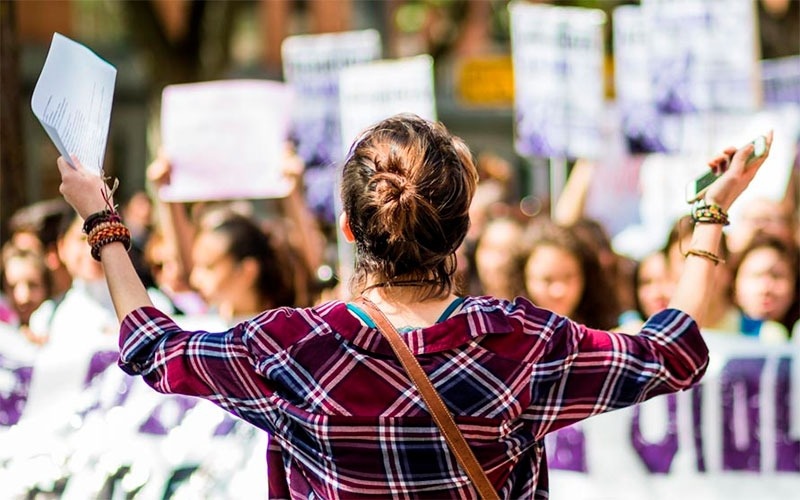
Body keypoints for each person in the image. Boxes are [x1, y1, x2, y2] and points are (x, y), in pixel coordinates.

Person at [55, 114, 772, 498]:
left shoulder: (288, 347)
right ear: (461, 234)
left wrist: (104, 221)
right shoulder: (521, 342)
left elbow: (151, 346)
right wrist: (711, 212)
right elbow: (673, 351)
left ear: (346, 229)